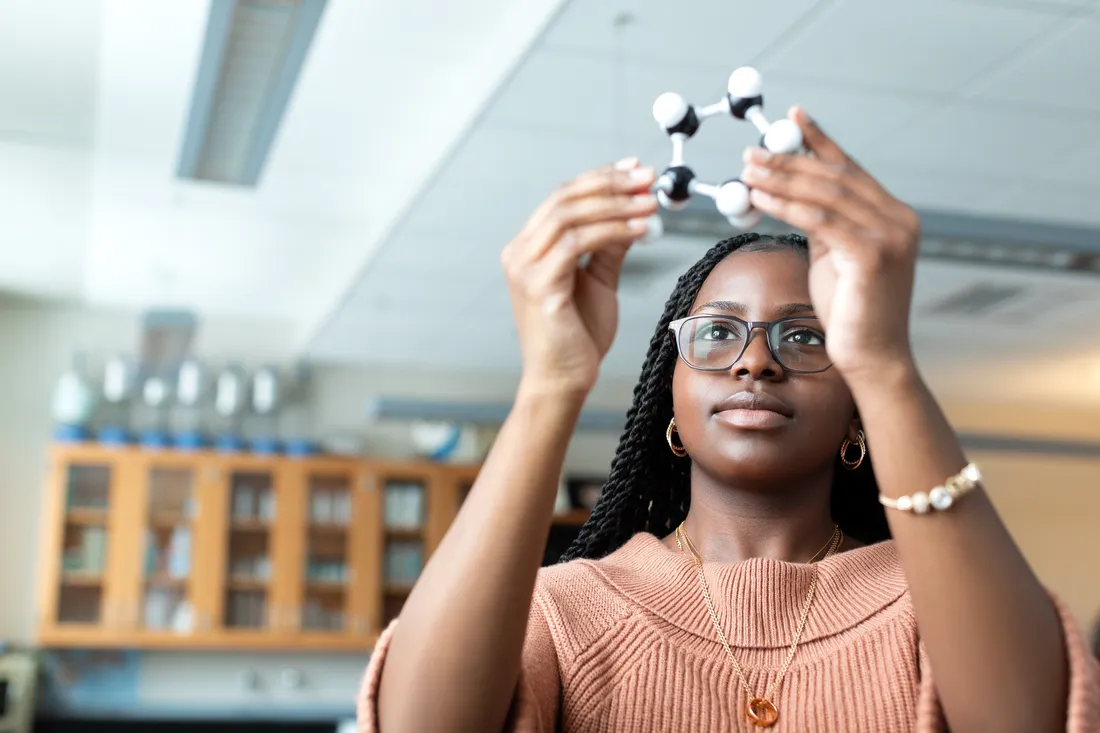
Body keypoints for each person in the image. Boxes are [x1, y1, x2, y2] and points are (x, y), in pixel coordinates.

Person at [359, 107, 1100, 732]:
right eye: (716, 333)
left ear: (854, 417)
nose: (755, 362)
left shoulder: (941, 595)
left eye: (806, 336)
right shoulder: (568, 607)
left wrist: (885, 361)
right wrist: (551, 383)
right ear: (669, 405)